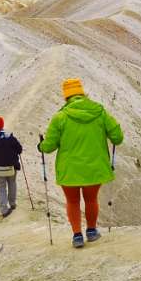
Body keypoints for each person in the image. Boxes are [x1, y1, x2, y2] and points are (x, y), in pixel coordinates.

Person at [38, 78, 123, 248]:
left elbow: (48, 147)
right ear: (82, 93)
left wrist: (40, 145)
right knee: (91, 199)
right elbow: (117, 138)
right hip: (95, 167)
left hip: (69, 169)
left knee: (73, 201)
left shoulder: (60, 117)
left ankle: (77, 236)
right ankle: (91, 231)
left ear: (66, 97)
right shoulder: (100, 112)